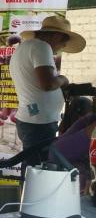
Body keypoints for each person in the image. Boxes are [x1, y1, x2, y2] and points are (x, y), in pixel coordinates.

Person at [9, 15, 86, 165]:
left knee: (33, 165)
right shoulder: (41, 47)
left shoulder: (25, 47)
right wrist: (63, 79)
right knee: (37, 168)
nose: (63, 46)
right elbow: (47, 84)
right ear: (57, 36)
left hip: (32, 118)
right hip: (39, 123)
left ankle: (27, 188)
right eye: (64, 41)